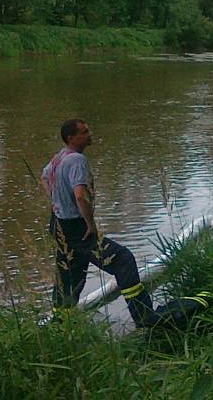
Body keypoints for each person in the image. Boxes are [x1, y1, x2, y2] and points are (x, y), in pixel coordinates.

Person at [42, 119, 158, 327]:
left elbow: (44, 176)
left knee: (70, 275)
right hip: (76, 226)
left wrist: (55, 202)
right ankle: (145, 319)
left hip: (58, 224)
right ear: (71, 138)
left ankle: (60, 325)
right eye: (84, 132)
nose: (89, 134)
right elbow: (80, 196)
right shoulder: (77, 160)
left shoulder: (58, 158)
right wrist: (90, 223)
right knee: (123, 260)